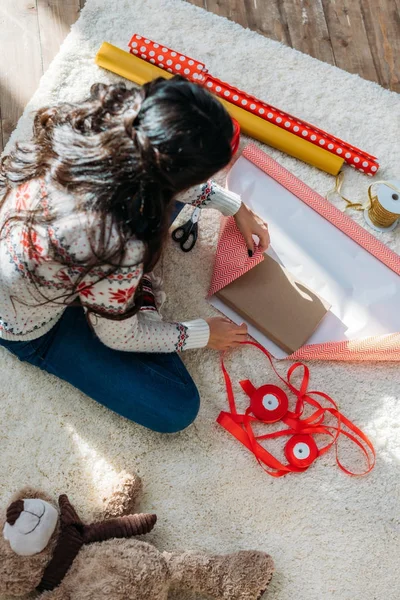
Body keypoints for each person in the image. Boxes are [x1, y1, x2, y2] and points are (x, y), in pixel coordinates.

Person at [0, 76, 269, 433]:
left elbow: (159, 172)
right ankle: (135, 302)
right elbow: (120, 337)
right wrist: (203, 333)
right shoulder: (117, 245)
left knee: (157, 217)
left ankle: (118, 299)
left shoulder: (96, 125)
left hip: (45, 265)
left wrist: (233, 206)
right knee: (177, 407)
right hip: (31, 328)